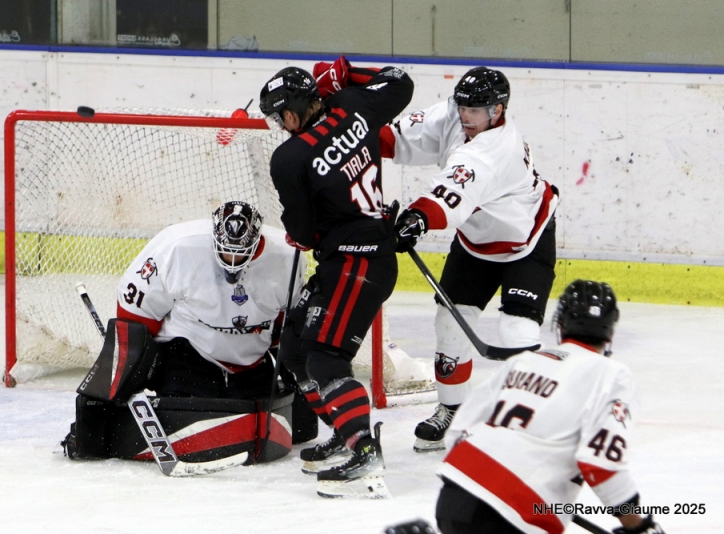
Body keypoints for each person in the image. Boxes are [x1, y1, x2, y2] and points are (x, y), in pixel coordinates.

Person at [258, 56, 414, 498]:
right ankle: (343, 434)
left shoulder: (290, 156)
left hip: (356, 263)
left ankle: (364, 453)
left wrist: (302, 231)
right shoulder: (353, 105)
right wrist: (346, 75)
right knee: (293, 349)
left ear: (291, 112)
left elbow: (301, 233)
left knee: (325, 360)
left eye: (279, 116)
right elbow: (400, 82)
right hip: (357, 258)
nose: (280, 125)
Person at [386, 66, 560, 452]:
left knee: (517, 331)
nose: (466, 115)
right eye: (462, 106)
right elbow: (397, 137)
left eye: (476, 110)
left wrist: (417, 218)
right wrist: (355, 138)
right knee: (450, 325)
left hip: (524, 243)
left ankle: (529, 419)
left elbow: (448, 198)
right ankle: (450, 410)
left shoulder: (497, 149)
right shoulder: (455, 114)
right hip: (476, 242)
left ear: (498, 111)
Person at [62, 200, 315, 463]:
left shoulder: (288, 255)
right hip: (188, 351)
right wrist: (128, 376)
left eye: (240, 253)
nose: (232, 260)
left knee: (262, 415)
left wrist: (291, 369)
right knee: (186, 409)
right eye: (226, 252)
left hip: (251, 360)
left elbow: (286, 324)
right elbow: (135, 316)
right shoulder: (177, 247)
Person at [434, 280, 666, 534]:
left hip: (454, 494)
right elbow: (601, 461)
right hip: (515, 514)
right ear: (610, 332)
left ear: (561, 324)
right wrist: (639, 526)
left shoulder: (523, 361)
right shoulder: (612, 375)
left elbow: (459, 432)